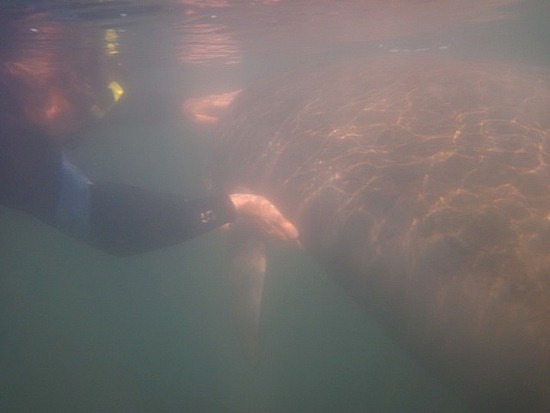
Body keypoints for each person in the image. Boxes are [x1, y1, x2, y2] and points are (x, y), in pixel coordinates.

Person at [0, 15, 298, 256]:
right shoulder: (14, 152)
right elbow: (106, 223)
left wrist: (180, 106)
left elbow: (101, 107)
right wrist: (230, 205)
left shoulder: (29, 107)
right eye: (82, 101)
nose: (89, 117)